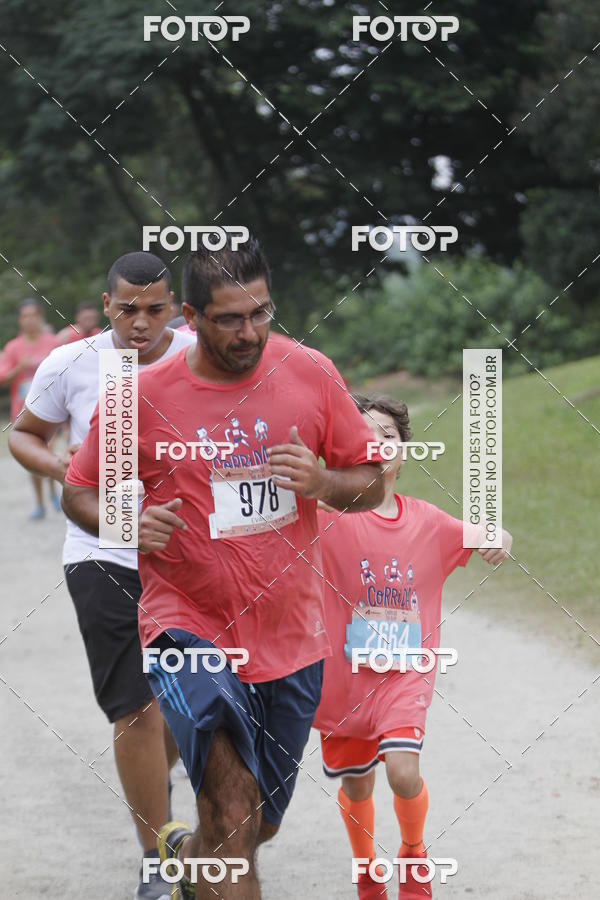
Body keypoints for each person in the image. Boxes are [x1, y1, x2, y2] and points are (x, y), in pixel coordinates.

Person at [62, 234, 386, 899]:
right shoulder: (140, 397)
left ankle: (188, 865)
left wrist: (323, 481)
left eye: (261, 313)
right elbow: (79, 489)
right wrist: (124, 523)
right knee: (234, 813)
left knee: (253, 825)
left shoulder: (311, 373)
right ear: (191, 316)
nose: (250, 332)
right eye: (230, 319)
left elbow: (372, 482)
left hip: (291, 637)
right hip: (189, 627)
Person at [9, 252, 195, 900]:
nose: (139, 323)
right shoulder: (72, 362)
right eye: (126, 309)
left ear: (175, 307)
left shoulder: (204, 355)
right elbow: (24, 433)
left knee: (187, 706)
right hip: (102, 550)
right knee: (135, 707)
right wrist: (70, 472)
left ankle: (151, 777)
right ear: (106, 302)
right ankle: (156, 859)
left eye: (154, 309)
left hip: (191, 558)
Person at [313, 394, 513, 899]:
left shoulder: (425, 521)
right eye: (364, 434)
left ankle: (414, 855)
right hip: (343, 682)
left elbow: (489, 534)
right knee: (357, 785)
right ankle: (366, 870)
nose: (376, 443)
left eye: (388, 434)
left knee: (404, 772)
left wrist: (500, 539)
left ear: (403, 452)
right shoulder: (320, 517)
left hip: (404, 674)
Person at [0, 298, 59, 517]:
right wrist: (19, 368)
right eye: (25, 316)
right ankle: (40, 503)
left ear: (40, 317)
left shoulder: (52, 342)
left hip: (51, 409)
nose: (29, 320)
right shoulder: (13, 347)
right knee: (32, 459)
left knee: (48, 451)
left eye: (33, 315)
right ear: (19, 320)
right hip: (23, 411)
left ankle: (54, 491)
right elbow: (3, 378)